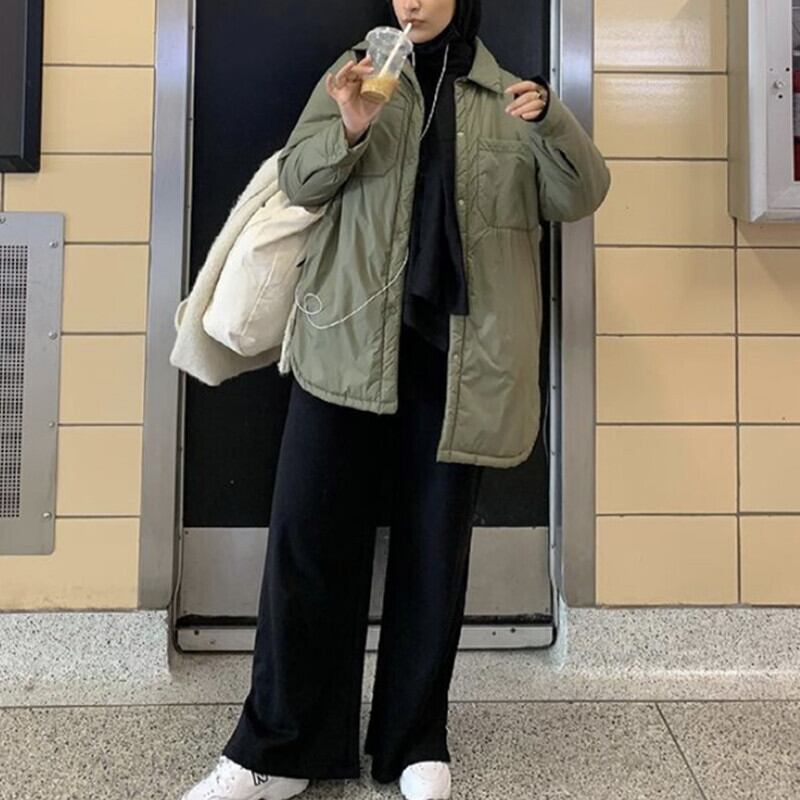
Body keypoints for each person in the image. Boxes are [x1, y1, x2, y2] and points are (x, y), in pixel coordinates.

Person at [179, 1, 610, 799]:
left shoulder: (509, 95)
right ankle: (280, 749)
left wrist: (552, 122)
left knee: (433, 549)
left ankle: (414, 741)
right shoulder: (358, 72)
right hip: (344, 343)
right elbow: (300, 179)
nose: (412, 0)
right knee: (308, 542)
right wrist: (349, 125)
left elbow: (578, 195)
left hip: (461, 357)